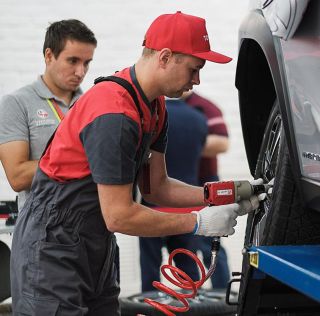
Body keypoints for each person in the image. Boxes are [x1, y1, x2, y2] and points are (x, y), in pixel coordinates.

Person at [10, 11, 262, 315]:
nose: (197, 79)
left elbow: (157, 188)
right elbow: (118, 215)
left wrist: (226, 193)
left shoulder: (154, 107)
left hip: (95, 243)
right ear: (165, 57)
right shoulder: (114, 113)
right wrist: (198, 222)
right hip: (52, 246)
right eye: (195, 68)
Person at [0, 19, 97, 212]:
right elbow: (17, 177)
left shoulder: (93, 104)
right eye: (73, 61)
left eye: (87, 63)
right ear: (49, 55)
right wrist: (83, 158)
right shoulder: (16, 103)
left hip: (94, 227)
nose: (81, 72)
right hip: (43, 232)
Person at [139, 97, 210, 292]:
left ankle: (150, 312)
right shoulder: (198, 118)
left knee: (150, 269)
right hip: (186, 209)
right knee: (189, 272)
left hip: (152, 208)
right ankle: (193, 310)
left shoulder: (151, 117)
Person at [184, 91, 232, 289]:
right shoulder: (159, 104)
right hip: (177, 183)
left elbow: (222, 143)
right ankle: (191, 296)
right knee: (185, 245)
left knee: (212, 242)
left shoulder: (205, 106)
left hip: (206, 183)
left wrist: (182, 142)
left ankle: (222, 295)